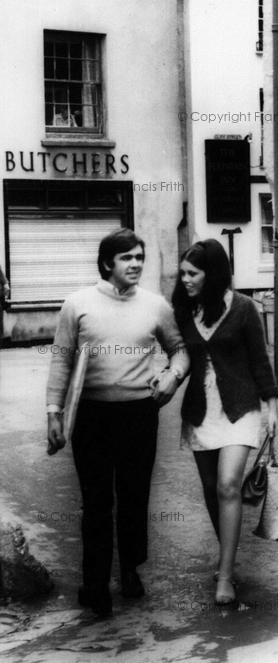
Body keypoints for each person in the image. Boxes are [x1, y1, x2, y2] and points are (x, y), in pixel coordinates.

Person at [46, 228, 189, 617]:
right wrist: (53, 413)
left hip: (138, 414)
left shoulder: (156, 305)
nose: (136, 264)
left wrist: (172, 378)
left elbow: (179, 350)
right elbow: (61, 359)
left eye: (140, 257)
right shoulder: (77, 305)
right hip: (91, 416)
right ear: (108, 262)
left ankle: (129, 568)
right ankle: (95, 584)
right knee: (95, 502)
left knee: (133, 495)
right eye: (128, 258)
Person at [172, 239, 278, 606]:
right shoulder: (184, 311)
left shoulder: (245, 309)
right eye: (183, 273)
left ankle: (226, 575)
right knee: (210, 490)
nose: (185, 280)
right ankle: (228, 556)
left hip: (241, 409)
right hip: (201, 411)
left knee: (228, 485)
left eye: (193, 274)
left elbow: (260, 362)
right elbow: (180, 355)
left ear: (212, 274)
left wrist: (273, 409)